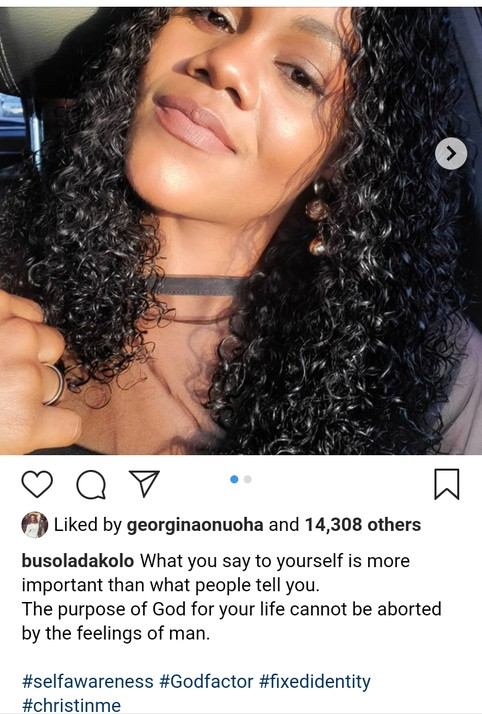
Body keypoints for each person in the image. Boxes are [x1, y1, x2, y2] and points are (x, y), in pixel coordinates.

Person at [0, 7, 481, 455]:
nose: (225, 62)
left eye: (299, 74)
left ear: (347, 153)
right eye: (214, 16)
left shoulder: (423, 367)